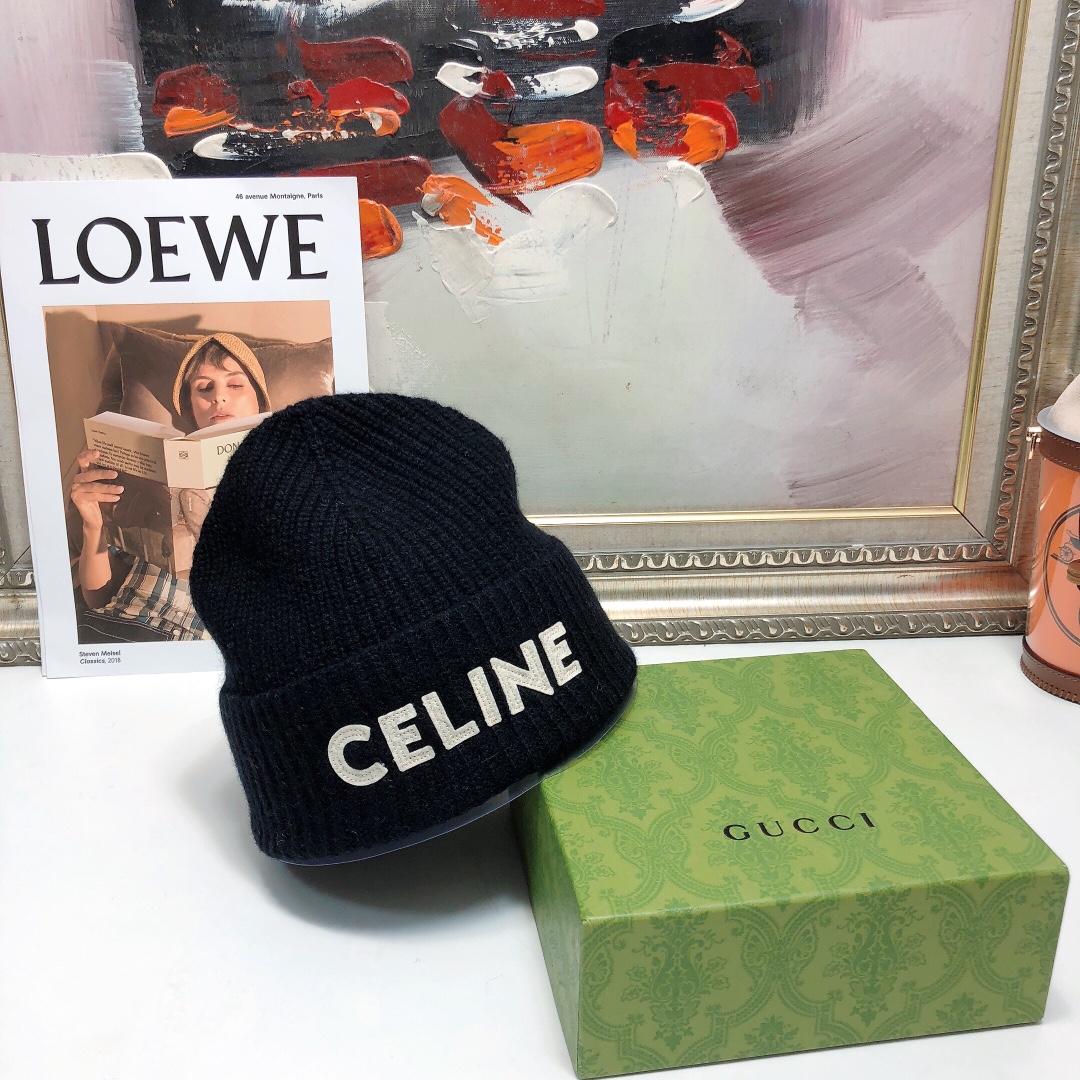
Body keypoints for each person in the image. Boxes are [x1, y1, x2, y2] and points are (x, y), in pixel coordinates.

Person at [70, 333, 271, 642]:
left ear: (260, 400)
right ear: (190, 408)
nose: (219, 397)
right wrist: (92, 525)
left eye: (235, 385)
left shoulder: (297, 473)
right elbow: (98, 598)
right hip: (122, 629)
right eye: (204, 387)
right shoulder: (153, 472)